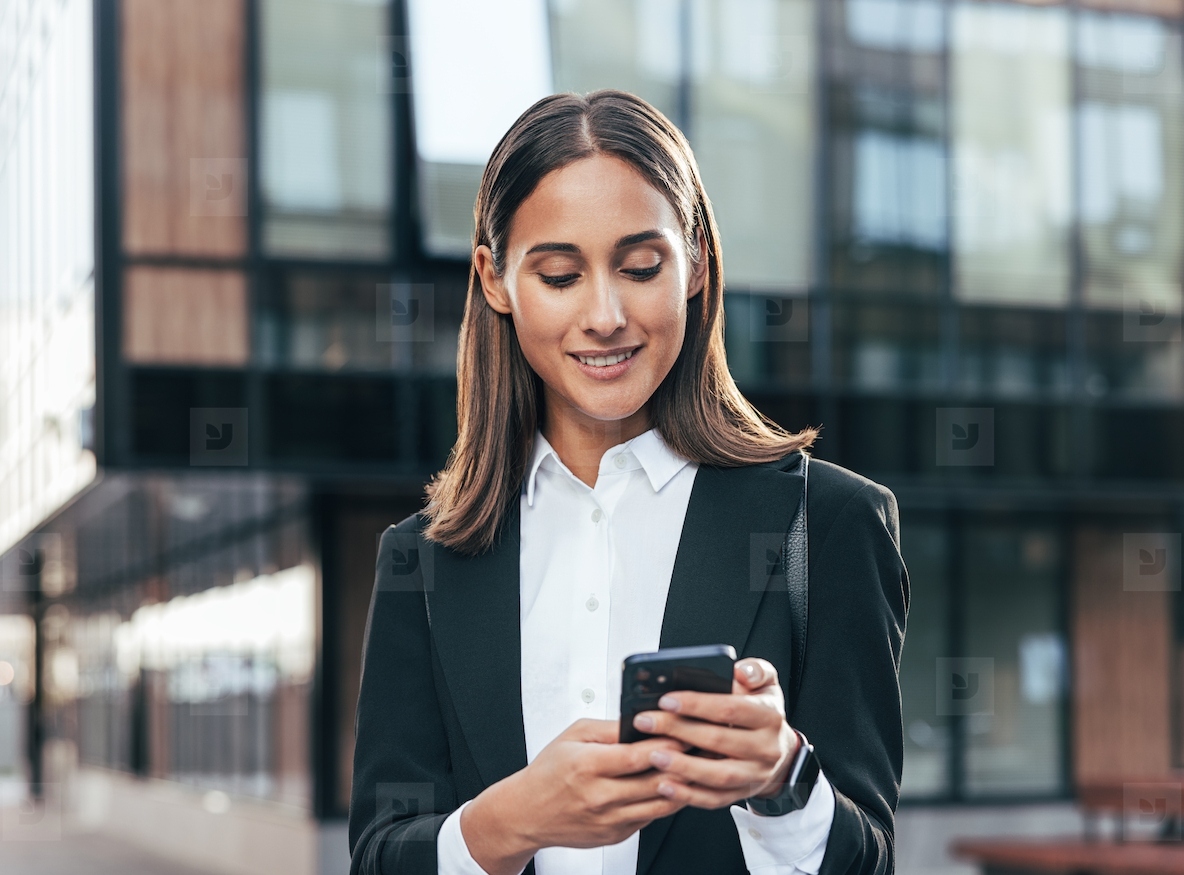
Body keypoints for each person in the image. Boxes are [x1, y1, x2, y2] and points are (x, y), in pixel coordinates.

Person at [348, 89, 909, 875]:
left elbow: (869, 863)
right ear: (496, 279)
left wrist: (782, 779)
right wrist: (505, 823)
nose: (605, 314)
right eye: (558, 274)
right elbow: (379, 856)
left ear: (696, 262)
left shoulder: (828, 524)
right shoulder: (425, 558)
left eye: (641, 265)